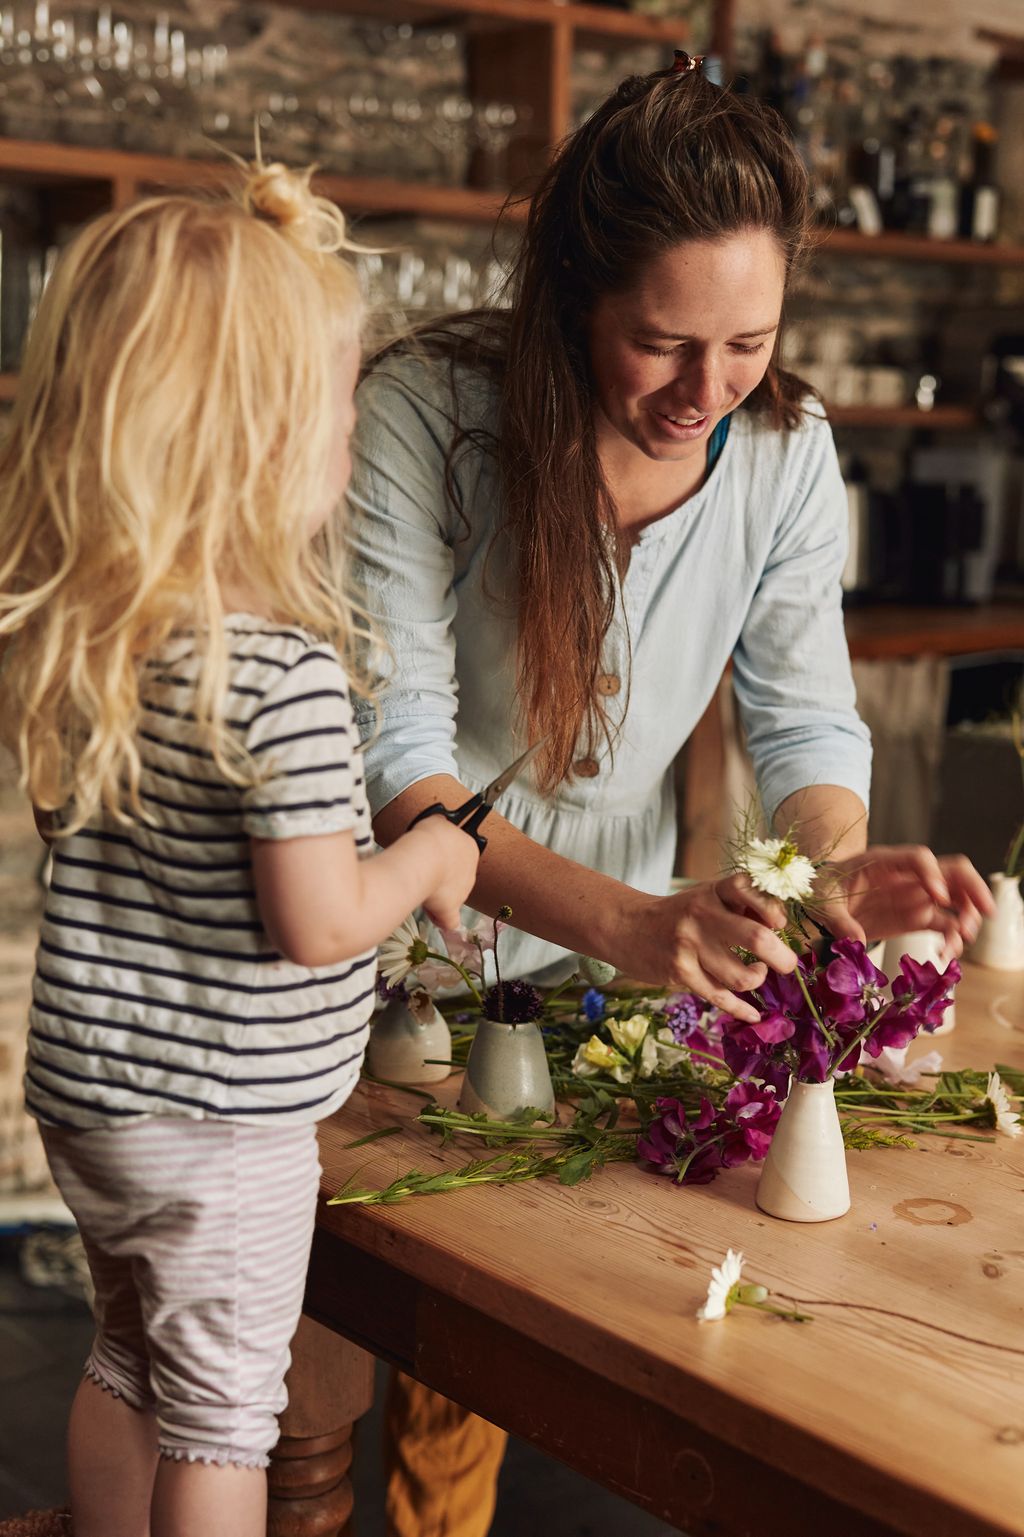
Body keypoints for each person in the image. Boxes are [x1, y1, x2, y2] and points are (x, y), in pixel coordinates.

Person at [346, 54, 994, 1537]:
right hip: (385, 968)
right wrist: (635, 921)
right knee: (323, 1370)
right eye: (660, 343)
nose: (706, 392)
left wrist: (836, 868)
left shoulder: (783, 456)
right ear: (575, 296)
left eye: (747, 343)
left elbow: (808, 723)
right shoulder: (426, 417)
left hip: (602, 983)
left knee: (515, 1373)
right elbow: (406, 778)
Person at [0, 164, 479, 1537]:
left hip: (93, 1102)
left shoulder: (99, 639)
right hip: (225, 1128)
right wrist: (433, 858)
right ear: (261, 436)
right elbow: (318, 917)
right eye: (337, 402)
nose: (349, 429)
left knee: (125, 1357)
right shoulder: (286, 676)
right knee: (224, 1416)